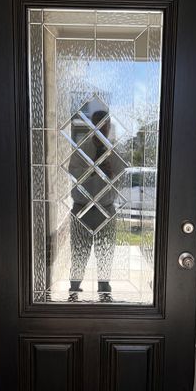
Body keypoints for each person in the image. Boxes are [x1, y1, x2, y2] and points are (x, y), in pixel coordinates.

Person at [68, 109, 118, 301]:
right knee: (79, 253)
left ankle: (104, 289)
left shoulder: (114, 151)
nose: (101, 128)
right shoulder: (81, 149)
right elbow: (73, 172)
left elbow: (123, 177)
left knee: (106, 253)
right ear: (92, 126)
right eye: (98, 124)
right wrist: (93, 170)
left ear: (109, 126)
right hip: (82, 209)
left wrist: (112, 173)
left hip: (107, 209)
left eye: (105, 124)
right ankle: (73, 290)